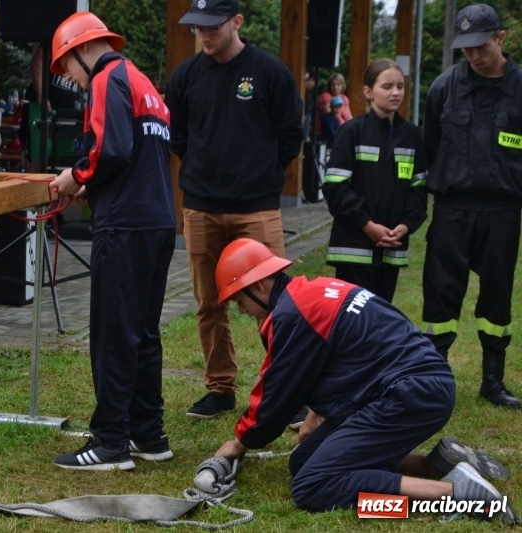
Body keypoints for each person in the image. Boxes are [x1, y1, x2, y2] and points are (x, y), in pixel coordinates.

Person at [205, 238, 517, 522]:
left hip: (406, 395)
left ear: (258, 286)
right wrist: (315, 417)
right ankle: (437, 464)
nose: (242, 311)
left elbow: (276, 396)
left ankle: (451, 496)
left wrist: (238, 444)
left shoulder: (291, 315)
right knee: (304, 460)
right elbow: (333, 359)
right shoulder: (313, 292)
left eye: (238, 301)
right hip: (418, 385)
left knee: (312, 487)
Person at [48, 12, 176, 470]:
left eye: (68, 71)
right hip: (158, 221)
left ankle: (109, 443)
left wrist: (75, 175)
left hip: (124, 226)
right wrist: (94, 184)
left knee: (112, 334)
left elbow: (111, 151)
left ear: (81, 50)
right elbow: (135, 154)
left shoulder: (107, 78)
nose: (75, 83)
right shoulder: (142, 81)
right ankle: (149, 434)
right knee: (142, 333)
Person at [165, 0, 303, 419]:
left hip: (256, 208)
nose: (203, 35)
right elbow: (180, 137)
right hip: (202, 207)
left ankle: (289, 389)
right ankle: (220, 387)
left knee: (277, 300)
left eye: (211, 27)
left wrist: (256, 176)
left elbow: (289, 136)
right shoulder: (186, 76)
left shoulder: (270, 72)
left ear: (237, 22)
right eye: (196, 28)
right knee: (209, 303)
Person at [422, 3, 522, 409]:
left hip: (502, 210)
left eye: (480, 46)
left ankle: (493, 380)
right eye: (465, 49)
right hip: (452, 208)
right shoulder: (443, 87)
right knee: (441, 295)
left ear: (500, 38)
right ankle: (435, 376)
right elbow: (431, 145)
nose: (474, 56)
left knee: (497, 295)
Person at [322, 59, 427, 302]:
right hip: (353, 248)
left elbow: (419, 189)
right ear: (368, 92)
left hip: (391, 247)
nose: (396, 92)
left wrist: (406, 225)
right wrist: (368, 225)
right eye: (387, 86)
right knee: (352, 324)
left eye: (400, 86)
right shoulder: (351, 132)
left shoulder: (411, 136)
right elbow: (335, 187)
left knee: (380, 323)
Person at [23, 43, 83, 172]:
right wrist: (41, 95)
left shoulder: (79, 46)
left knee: (64, 160)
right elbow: (37, 63)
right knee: (40, 157)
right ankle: (30, 191)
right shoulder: (54, 41)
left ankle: (57, 192)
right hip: (45, 108)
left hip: (67, 113)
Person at [315, 72, 352, 138]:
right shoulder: (326, 96)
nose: (335, 87)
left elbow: (349, 119)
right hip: (330, 133)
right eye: (333, 85)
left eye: (338, 84)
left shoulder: (344, 98)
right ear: (329, 86)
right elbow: (329, 120)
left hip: (342, 132)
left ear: (342, 85)